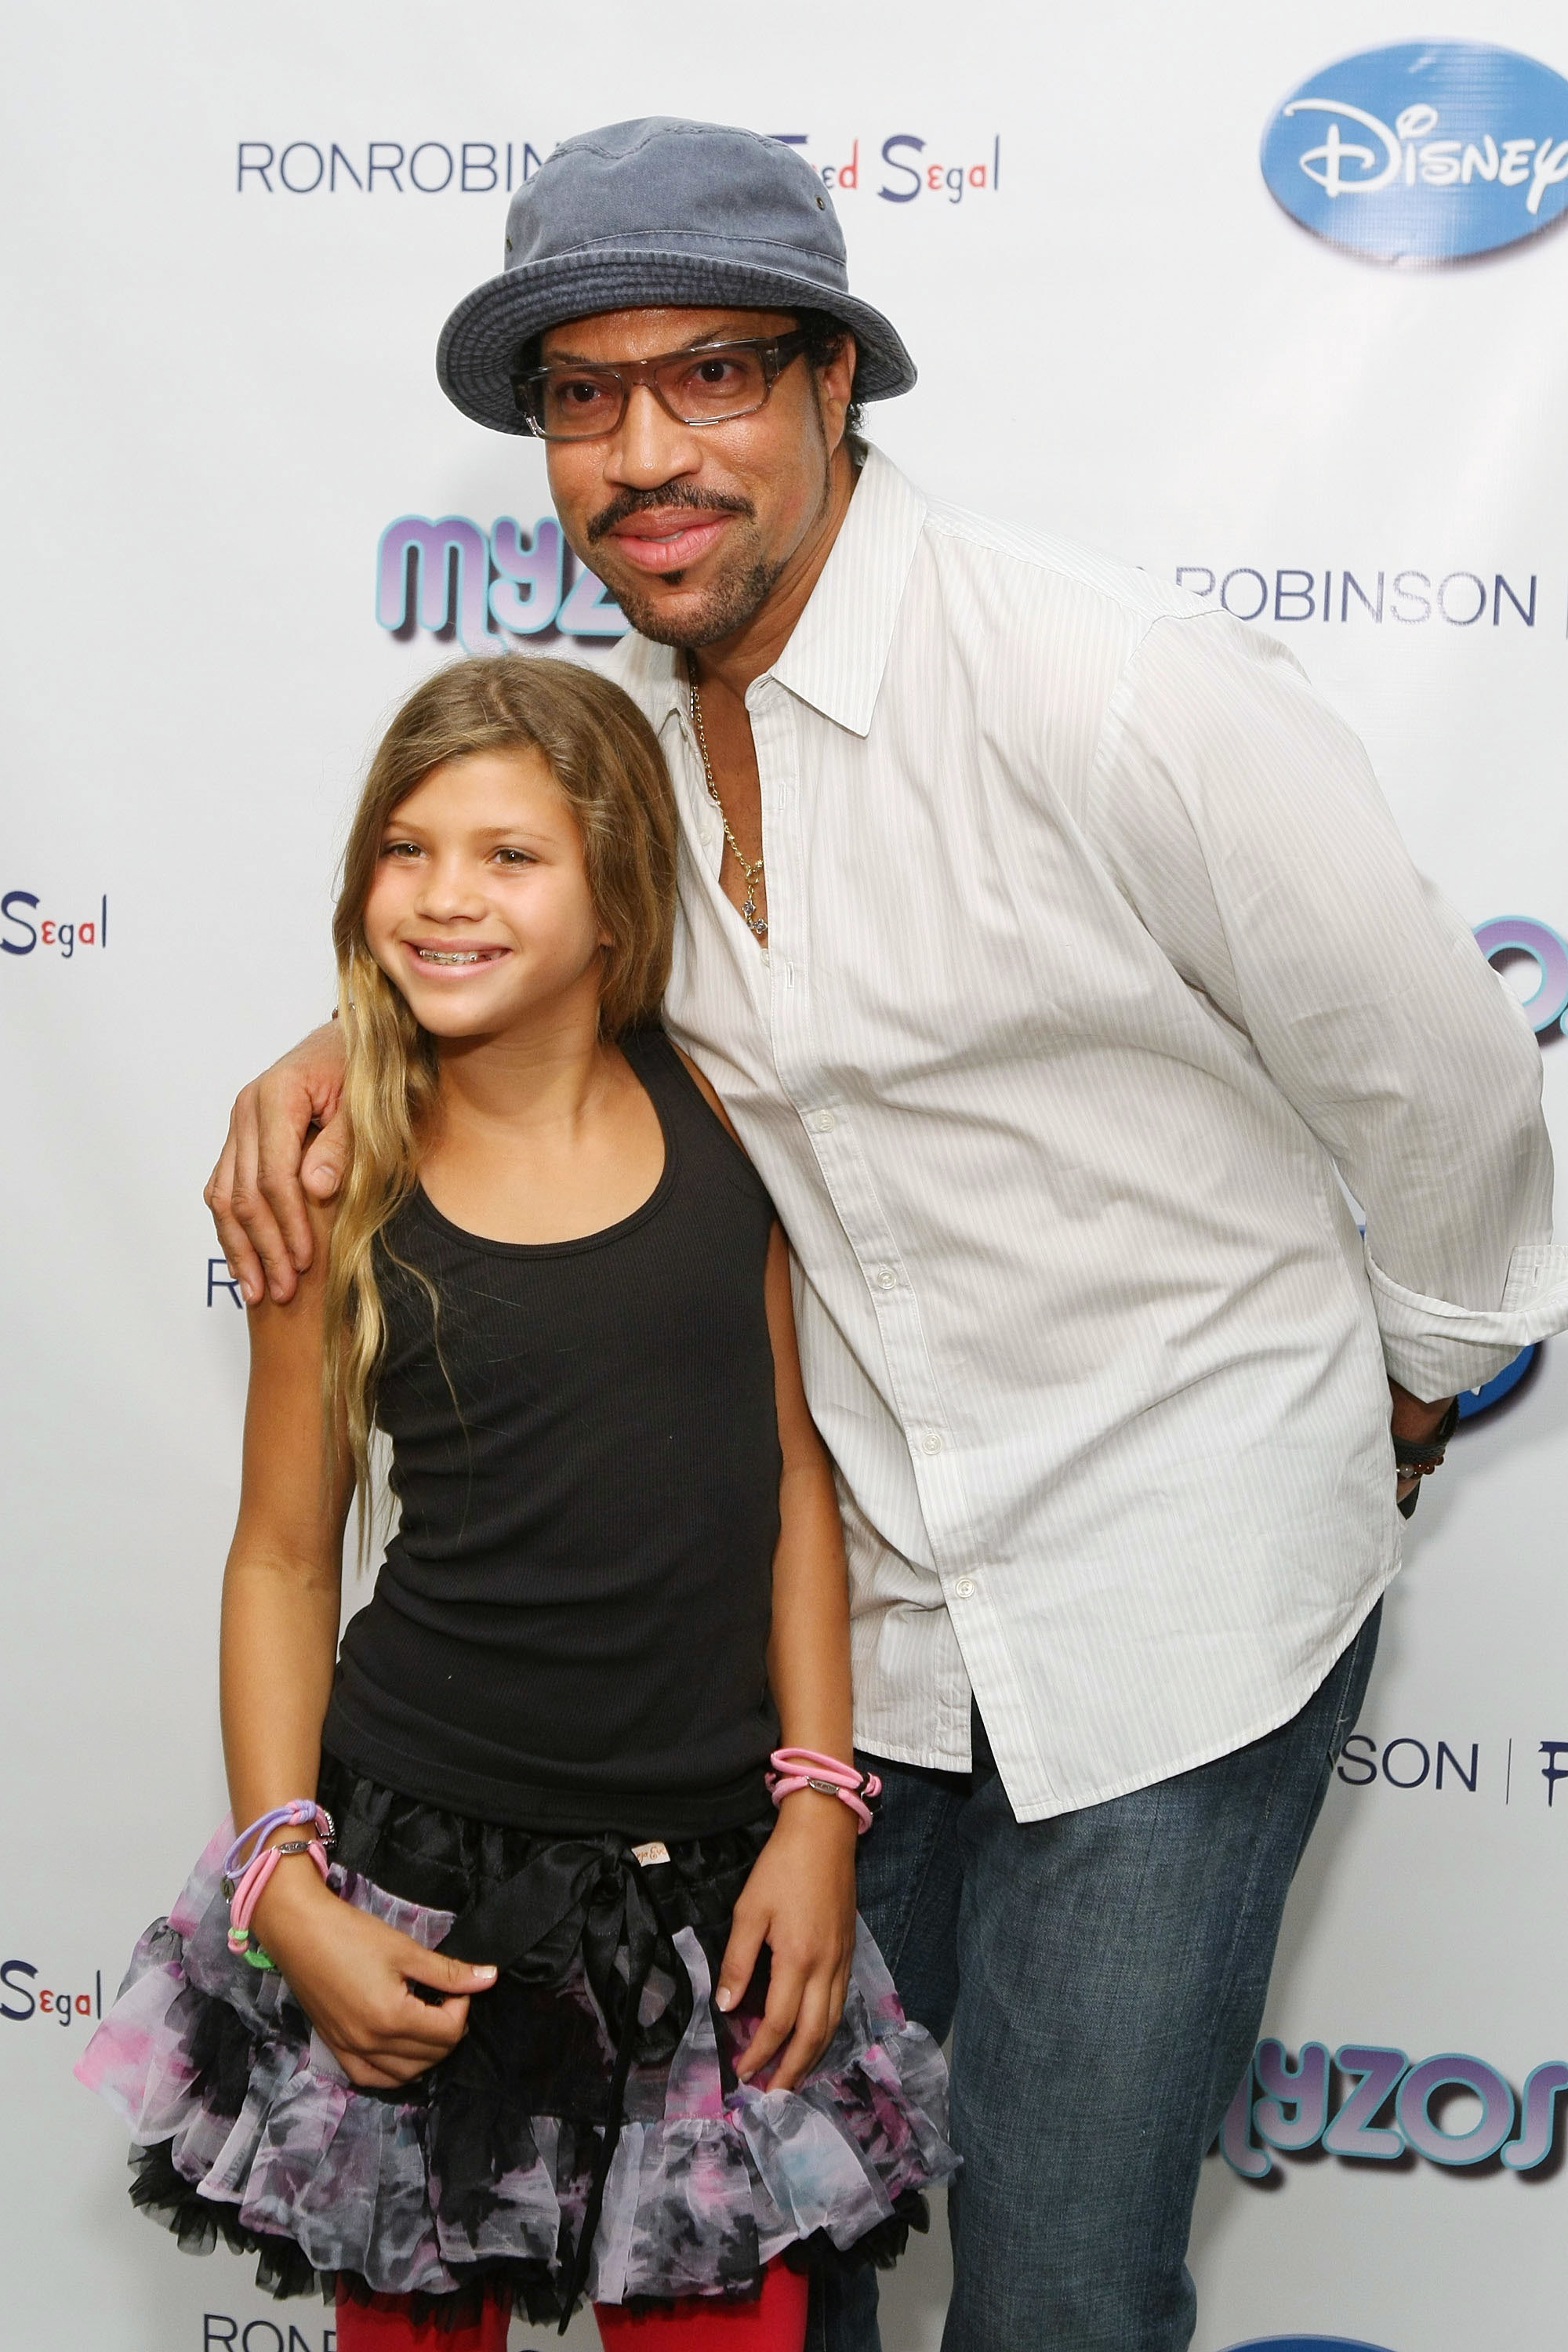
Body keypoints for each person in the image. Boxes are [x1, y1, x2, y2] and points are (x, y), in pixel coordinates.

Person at [206, 120, 1568, 2352]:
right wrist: (319, 1054)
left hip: (1172, 1612)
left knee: (1050, 2290)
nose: (645, 449)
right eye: (582, 393)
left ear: (840, 383)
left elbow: (1445, 1074)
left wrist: (1404, 1405)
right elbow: (504, 944)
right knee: (773, 2262)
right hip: (855, 1653)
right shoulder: (620, 760)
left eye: (714, 373)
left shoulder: (1106, 687)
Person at [78, 653, 956, 2352]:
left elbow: (793, 1481)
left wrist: (818, 1807)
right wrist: (284, 1882)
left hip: (710, 1887)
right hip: (409, 1865)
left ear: (615, 887)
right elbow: (277, 1555)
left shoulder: (723, 1119)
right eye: (405, 851)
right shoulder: (331, 1183)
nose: (444, 897)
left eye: (506, 856)